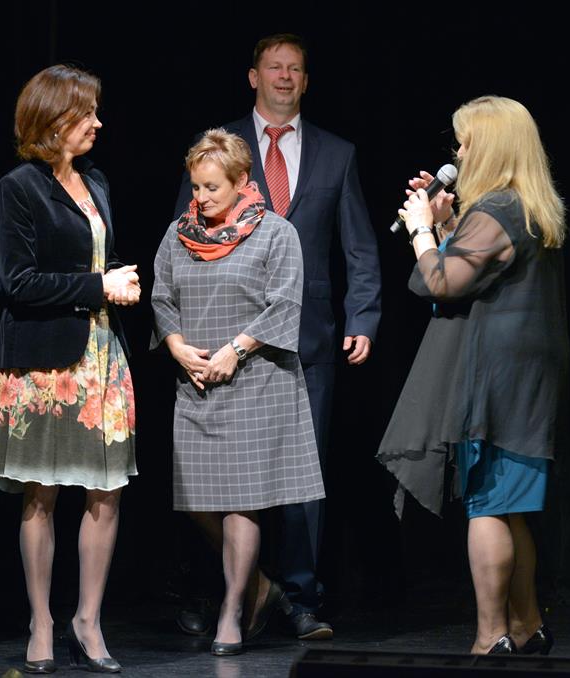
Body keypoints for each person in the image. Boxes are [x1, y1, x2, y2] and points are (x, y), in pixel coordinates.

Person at [171, 33, 380, 640]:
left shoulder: (337, 154)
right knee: (218, 479)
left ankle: (301, 598)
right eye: (274, 67)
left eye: (295, 68)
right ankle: (233, 590)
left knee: (300, 477)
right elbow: (183, 235)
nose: (284, 76)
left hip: (307, 340)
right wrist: (179, 332)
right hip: (220, 338)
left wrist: (362, 318)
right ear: (254, 76)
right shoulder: (218, 146)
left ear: (306, 81)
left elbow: (359, 248)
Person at [378, 95, 569, 655]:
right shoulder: (524, 206)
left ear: (489, 147)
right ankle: (527, 626)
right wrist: (448, 222)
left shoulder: (497, 210)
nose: (457, 154)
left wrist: (421, 229)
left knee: (486, 505)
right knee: (510, 505)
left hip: (499, 376)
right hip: (528, 372)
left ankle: (490, 638)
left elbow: (441, 282)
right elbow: (475, 272)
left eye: (464, 143)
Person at [0, 64, 139, 675]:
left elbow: (92, 256)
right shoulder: (18, 187)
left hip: (102, 356)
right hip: (45, 363)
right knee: (41, 494)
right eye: (87, 113)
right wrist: (100, 286)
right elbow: (18, 282)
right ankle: (42, 622)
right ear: (53, 120)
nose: (98, 123)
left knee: (106, 492)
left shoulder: (95, 180)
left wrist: (115, 279)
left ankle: (88, 620)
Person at [153, 129, 326, 656]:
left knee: (240, 503)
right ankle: (261, 589)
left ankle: (232, 610)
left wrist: (236, 349)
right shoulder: (178, 234)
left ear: (241, 181)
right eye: (195, 187)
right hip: (197, 382)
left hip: (255, 380)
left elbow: (286, 303)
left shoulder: (275, 233)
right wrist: (177, 347)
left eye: (211, 187)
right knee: (197, 498)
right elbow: (162, 298)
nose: (200, 197)